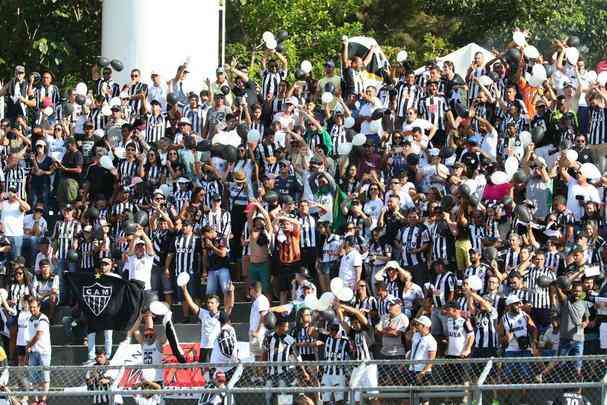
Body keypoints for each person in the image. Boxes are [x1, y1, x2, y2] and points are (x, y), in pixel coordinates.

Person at [26, 297, 51, 404]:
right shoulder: (30, 319)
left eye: (34, 307)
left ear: (39, 307)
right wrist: (29, 348)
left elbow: (38, 335)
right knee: (33, 379)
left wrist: (29, 345)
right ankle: (36, 400)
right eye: (31, 307)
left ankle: (43, 401)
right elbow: (29, 336)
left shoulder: (43, 318)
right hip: (33, 352)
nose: (32, 309)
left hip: (44, 352)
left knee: (45, 377)